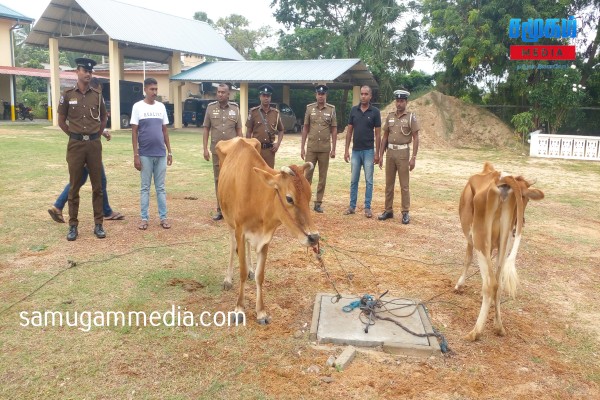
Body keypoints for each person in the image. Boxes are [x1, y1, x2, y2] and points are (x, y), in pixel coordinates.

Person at [49, 77, 123, 224]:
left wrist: (102, 132)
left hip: (91, 146)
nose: (99, 93)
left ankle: (58, 206)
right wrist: (77, 138)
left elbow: (93, 122)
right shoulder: (74, 95)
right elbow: (79, 124)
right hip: (84, 148)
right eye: (99, 90)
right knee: (99, 181)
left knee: (79, 179)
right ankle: (106, 211)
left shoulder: (94, 99)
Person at [57, 57, 108, 241]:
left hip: (94, 144)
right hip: (76, 145)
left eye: (90, 71)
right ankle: (73, 226)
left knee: (98, 187)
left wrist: (97, 133)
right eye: (84, 71)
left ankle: (99, 224)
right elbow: (61, 121)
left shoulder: (97, 95)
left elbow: (103, 117)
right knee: (74, 186)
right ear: (76, 72)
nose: (88, 74)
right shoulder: (68, 94)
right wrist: (74, 135)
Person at [131, 77, 173, 230]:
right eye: (152, 89)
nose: (155, 92)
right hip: (145, 154)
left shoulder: (161, 107)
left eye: (156, 89)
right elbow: (134, 132)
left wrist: (170, 152)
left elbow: (165, 131)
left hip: (160, 153)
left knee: (160, 187)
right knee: (145, 187)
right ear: (145, 90)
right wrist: (136, 155)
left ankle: (163, 218)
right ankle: (144, 218)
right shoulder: (137, 107)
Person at [378, 89, 420, 224]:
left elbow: (416, 137)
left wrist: (413, 157)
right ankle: (388, 210)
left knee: (404, 185)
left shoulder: (410, 117)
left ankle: (405, 212)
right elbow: (384, 137)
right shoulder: (390, 116)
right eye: (397, 101)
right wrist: (380, 154)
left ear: (406, 102)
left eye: (402, 101)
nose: (399, 103)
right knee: (388, 184)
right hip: (390, 153)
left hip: (403, 154)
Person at [203, 83, 242, 221]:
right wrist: (205, 148)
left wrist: (241, 149)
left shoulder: (235, 109)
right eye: (218, 92)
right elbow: (206, 128)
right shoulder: (210, 108)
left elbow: (239, 131)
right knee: (218, 180)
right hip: (217, 151)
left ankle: (232, 209)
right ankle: (220, 209)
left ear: (228, 94)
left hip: (232, 152)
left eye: (223, 92)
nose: (220, 94)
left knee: (233, 180)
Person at [343, 85, 381, 218]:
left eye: (366, 94)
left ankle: (367, 208)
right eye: (362, 94)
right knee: (354, 180)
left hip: (369, 151)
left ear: (370, 96)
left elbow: (378, 134)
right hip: (355, 151)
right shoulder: (354, 110)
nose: (363, 96)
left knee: (369, 180)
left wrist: (377, 153)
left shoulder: (375, 112)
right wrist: (346, 150)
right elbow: (349, 131)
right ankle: (352, 206)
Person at [300, 84, 337, 213]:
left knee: (322, 177)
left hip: (325, 149)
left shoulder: (331, 110)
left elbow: (334, 129)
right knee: (307, 176)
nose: (321, 96)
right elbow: (305, 128)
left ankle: (318, 203)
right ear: (316, 95)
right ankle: (304, 201)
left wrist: (333, 149)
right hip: (311, 148)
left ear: (326, 95)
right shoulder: (309, 109)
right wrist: (302, 147)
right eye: (319, 94)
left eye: (323, 94)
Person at [246, 84, 284, 168]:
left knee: (269, 176)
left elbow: (281, 130)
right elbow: (248, 132)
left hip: (270, 151)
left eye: (268, 96)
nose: (266, 98)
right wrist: (250, 147)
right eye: (264, 95)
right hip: (256, 150)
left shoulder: (276, 113)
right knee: (256, 174)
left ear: (270, 97)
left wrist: (277, 144)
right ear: (260, 97)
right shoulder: (253, 112)